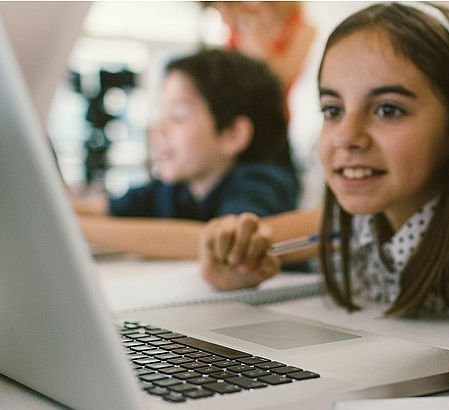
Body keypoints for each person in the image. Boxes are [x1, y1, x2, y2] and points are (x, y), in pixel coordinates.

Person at [200, 2, 449, 318]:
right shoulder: (361, 223)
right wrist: (229, 257)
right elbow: (248, 240)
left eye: (387, 110)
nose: (346, 136)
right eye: (333, 110)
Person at [73, 48, 299, 258]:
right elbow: (102, 209)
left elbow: (218, 242)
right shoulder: (173, 189)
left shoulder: (261, 183)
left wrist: (78, 229)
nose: (158, 128)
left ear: (232, 134)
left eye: (178, 115)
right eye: (161, 115)